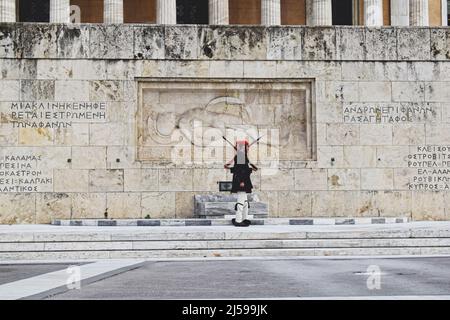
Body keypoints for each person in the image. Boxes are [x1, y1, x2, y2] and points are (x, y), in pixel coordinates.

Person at [224, 139, 258, 227]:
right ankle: (238, 220)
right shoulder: (240, 156)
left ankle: (244, 218)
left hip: (243, 180)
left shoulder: (242, 156)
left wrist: (251, 168)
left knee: (245, 201)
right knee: (241, 201)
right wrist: (241, 181)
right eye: (246, 146)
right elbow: (240, 171)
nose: (248, 148)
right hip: (241, 181)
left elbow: (241, 168)